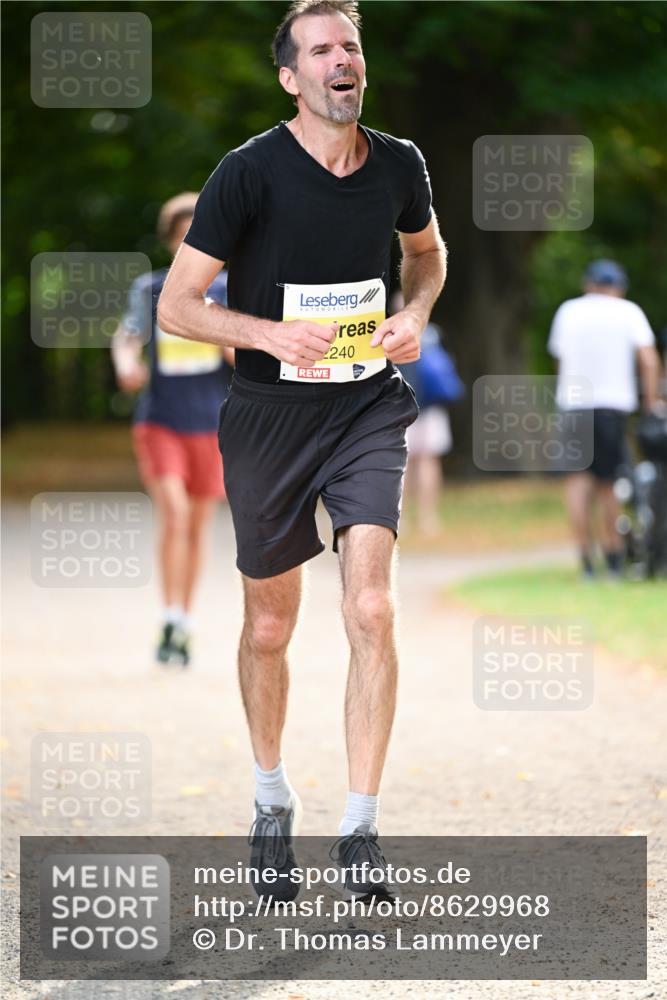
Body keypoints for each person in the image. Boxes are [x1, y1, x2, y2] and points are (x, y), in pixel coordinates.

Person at [158, 0, 446, 898]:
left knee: (370, 609)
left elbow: (427, 255)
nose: (340, 59)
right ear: (291, 76)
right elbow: (179, 305)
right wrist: (267, 334)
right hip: (267, 416)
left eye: (350, 46)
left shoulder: (399, 164)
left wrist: (413, 313)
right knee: (271, 625)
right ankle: (270, 800)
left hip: (365, 407)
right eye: (320, 49)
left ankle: (360, 829)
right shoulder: (247, 173)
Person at [112, 193, 234, 666]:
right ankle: (167, 613)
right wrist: (127, 364)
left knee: (199, 526)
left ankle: (183, 620)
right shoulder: (150, 290)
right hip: (161, 420)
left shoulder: (228, 290)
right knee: (176, 515)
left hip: (212, 425)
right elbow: (126, 336)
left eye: (197, 235)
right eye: (181, 237)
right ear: (169, 242)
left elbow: (249, 354)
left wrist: (229, 341)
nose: (189, 244)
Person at [548, 258, 662, 580]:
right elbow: (649, 361)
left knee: (576, 484)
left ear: (588, 284)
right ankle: (613, 558)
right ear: (619, 287)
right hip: (612, 407)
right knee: (609, 484)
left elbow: (560, 357)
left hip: (573, 406)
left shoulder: (568, 311)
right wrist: (650, 403)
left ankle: (586, 560)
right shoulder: (628, 312)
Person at [394, 293, 462, 537]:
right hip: (432, 407)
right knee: (429, 461)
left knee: (402, 465)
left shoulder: (388, 336)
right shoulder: (433, 333)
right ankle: (428, 518)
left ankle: (400, 518)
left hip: (402, 408)